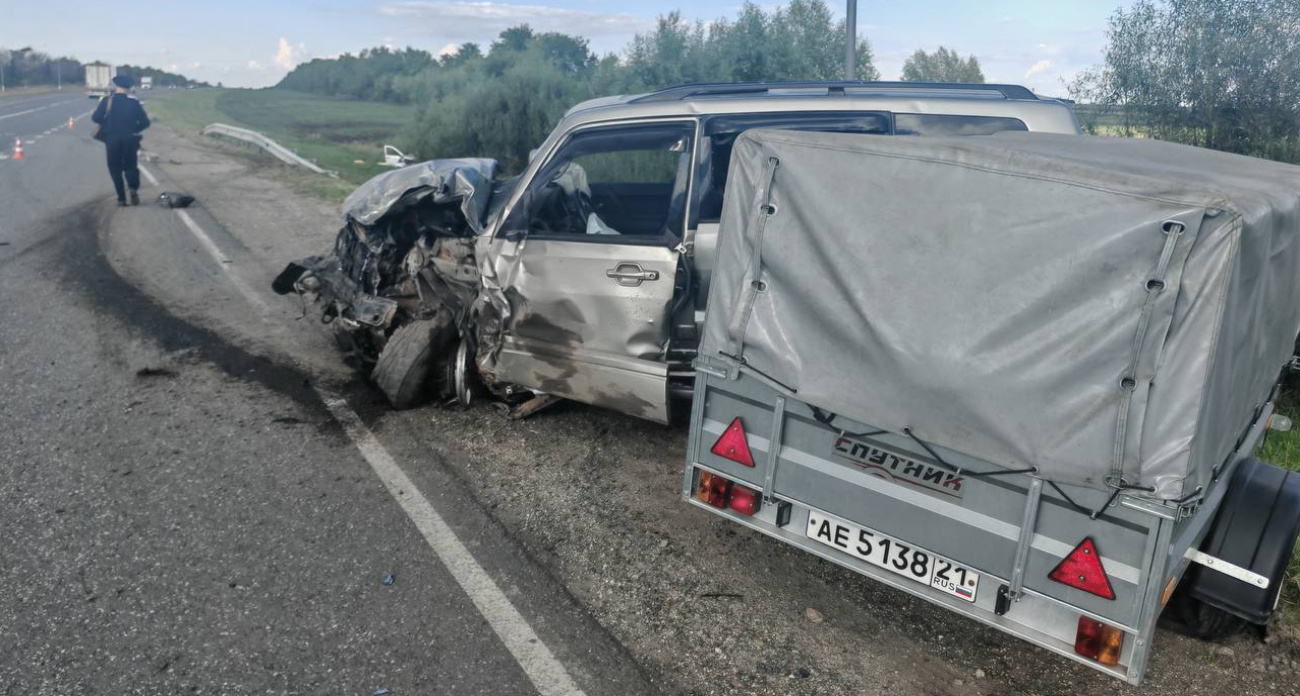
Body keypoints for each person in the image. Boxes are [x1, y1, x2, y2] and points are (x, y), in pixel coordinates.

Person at [91, 75, 151, 206]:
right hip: (130, 139)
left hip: (112, 139)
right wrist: (135, 129)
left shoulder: (107, 101)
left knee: (115, 168)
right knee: (131, 166)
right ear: (128, 88)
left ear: (116, 86)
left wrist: (107, 123)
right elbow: (146, 123)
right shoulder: (134, 103)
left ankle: (121, 198)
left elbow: (95, 118)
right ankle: (133, 188)